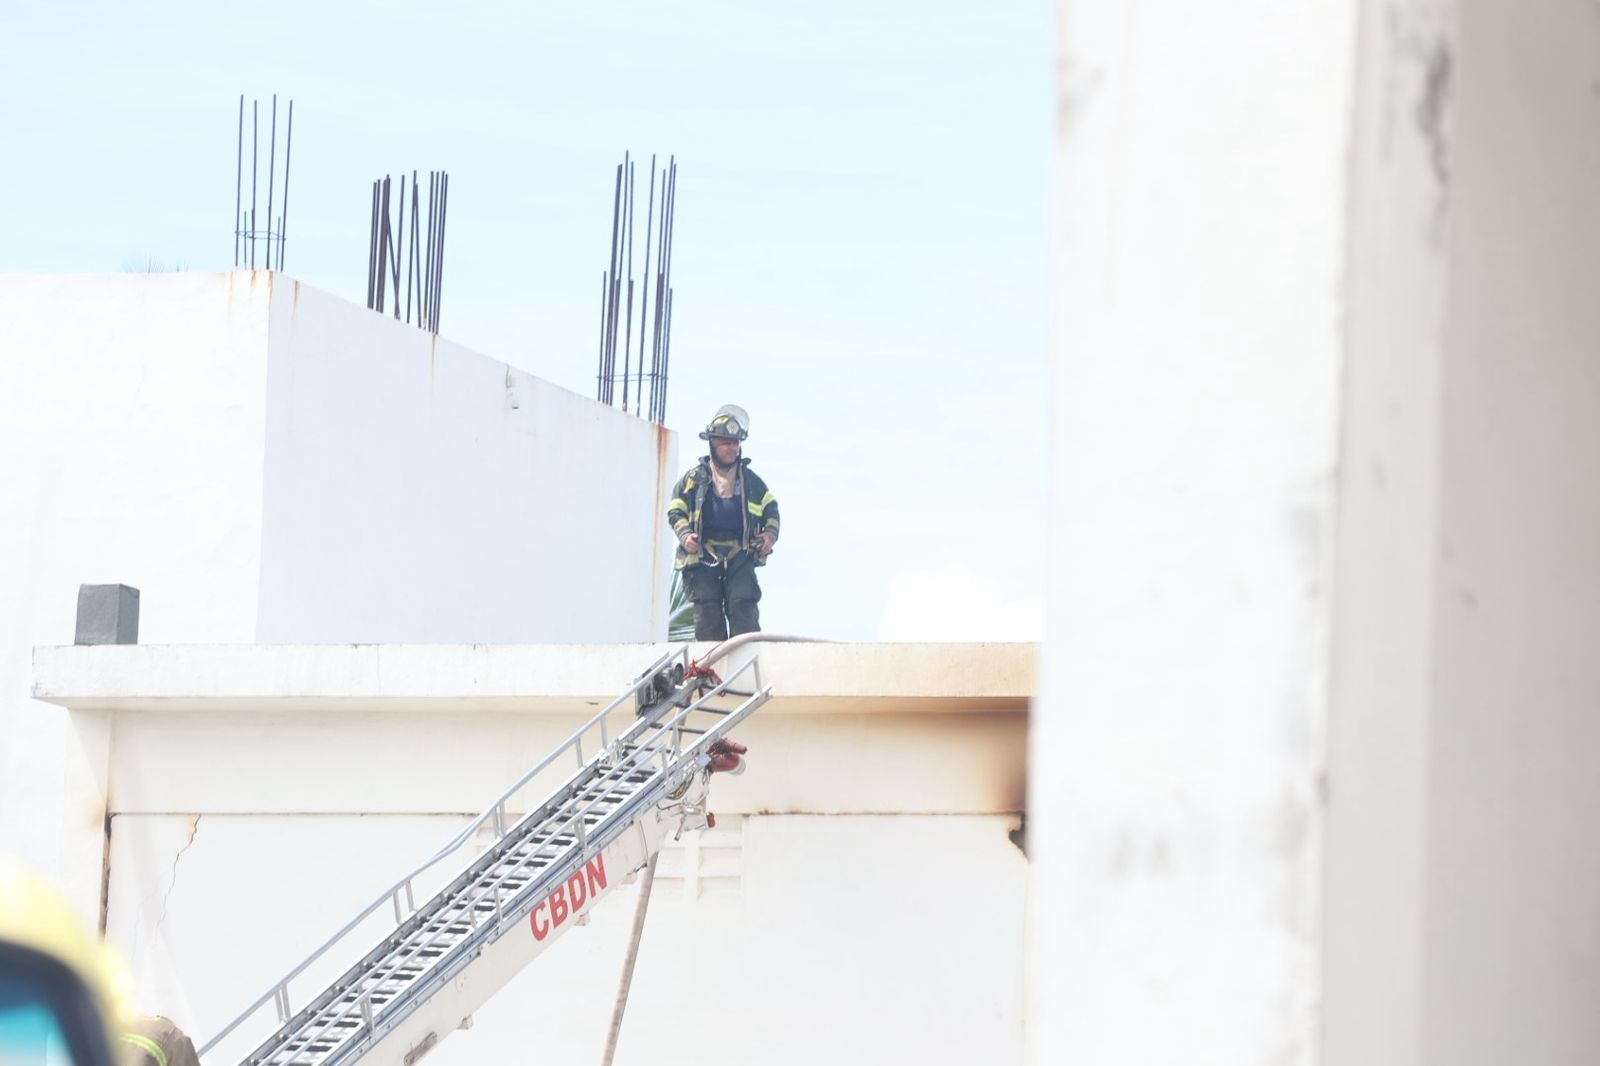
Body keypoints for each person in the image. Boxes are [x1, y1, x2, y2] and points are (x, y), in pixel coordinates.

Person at [667, 404, 780, 640]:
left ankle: (746, 667)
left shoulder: (752, 482)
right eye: (726, 442)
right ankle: (711, 673)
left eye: (735, 443)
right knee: (707, 617)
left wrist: (769, 535)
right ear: (712, 444)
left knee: (744, 609)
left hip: (740, 557)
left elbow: (771, 509)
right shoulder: (692, 480)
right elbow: (675, 510)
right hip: (702, 558)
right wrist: (685, 535)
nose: (732, 448)